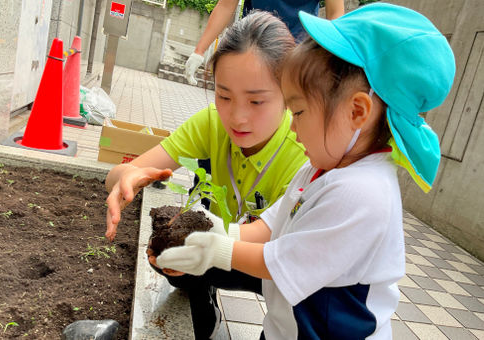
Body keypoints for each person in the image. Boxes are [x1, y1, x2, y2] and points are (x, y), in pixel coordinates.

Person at [156, 3, 456, 339]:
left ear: (357, 111)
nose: (293, 129)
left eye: (298, 112)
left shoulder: (364, 192)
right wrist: (217, 235)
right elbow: (272, 224)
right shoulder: (321, 168)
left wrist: (215, 250)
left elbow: (281, 261)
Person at [105, 11, 308, 339]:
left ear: (288, 96)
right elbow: (121, 173)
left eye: (256, 101)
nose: (237, 117)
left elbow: (296, 256)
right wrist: (125, 178)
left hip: (270, 264)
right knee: (165, 250)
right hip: (219, 246)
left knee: (300, 297)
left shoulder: (303, 150)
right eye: (224, 96)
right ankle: (202, 307)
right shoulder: (211, 122)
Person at [185, 0, 345, 85]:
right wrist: (199, 51)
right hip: (252, 50)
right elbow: (226, 5)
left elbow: (336, 13)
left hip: (296, 58)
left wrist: (331, 62)